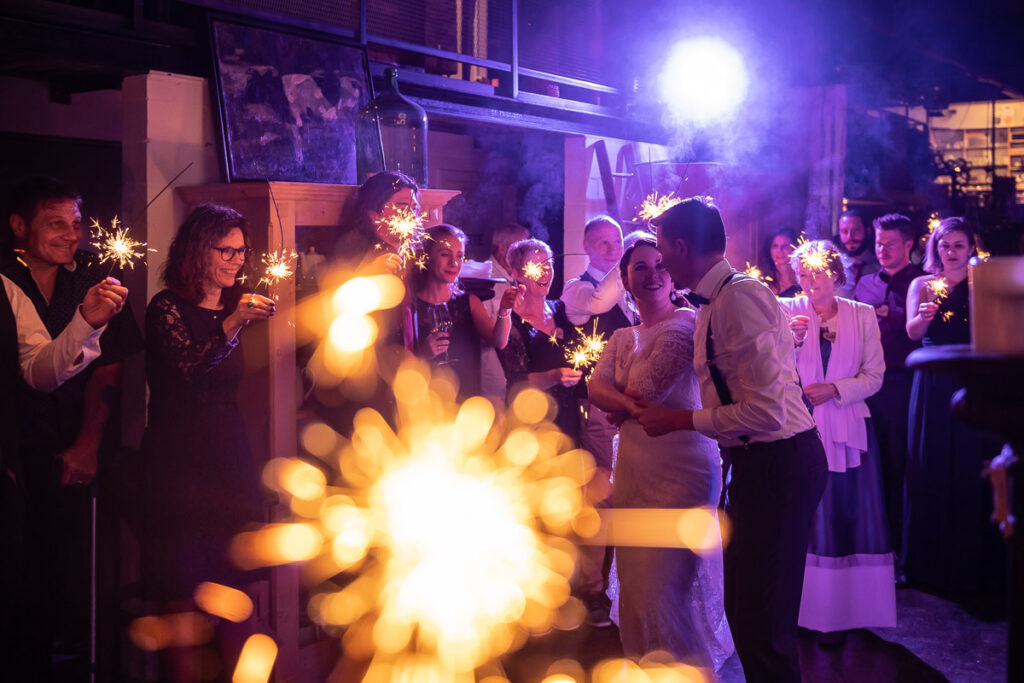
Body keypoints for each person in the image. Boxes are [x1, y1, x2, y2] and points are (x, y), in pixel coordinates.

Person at [633, 197, 827, 682]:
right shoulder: (715, 301)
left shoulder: (738, 298)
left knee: (765, 624)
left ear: (680, 246)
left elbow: (765, 411)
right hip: (757, 464)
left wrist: (678, 421)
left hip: (780, 463)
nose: (660, 262)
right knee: (746, 613)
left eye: (662, 251)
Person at [1, 176, 144, 677]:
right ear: (19, 226)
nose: (72, 234)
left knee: (61, 581)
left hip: (70, 451)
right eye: (55, 223)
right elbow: (36, 372)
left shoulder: (92, 281)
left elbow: (110, 365)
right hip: (15, 457)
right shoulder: (6, 284)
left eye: (77, 223)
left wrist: (88, 442)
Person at [139, 203, 275, 681]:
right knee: (183, 580)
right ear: (199, 251)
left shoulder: (237, 303)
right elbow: (189, 369)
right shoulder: (167, 308)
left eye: (241, 251)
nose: (237, 260)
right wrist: (233, 322)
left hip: (226, 451)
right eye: (226, 250)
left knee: (234, 576)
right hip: (179, 457)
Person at [588, 238, 733, 670]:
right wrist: (630, 410)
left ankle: (685, 672)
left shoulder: (687, 324)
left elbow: (650, 387)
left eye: (660, 266)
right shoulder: (621, 334)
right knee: (635, 580)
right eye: (640, 268)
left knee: (664, 583)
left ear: (672, 275)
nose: (652, 275)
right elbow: (596, 390)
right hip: (634, 466)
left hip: (681, 468)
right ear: (625, 279)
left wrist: (623, 402)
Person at [780, 240, 895, 643]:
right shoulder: (785, 310)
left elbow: (875, 374)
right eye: (804, 273)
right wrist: (790, 342)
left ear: (836, 274)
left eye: (819, 272)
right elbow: (767, 367)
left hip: (847, 431)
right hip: (798, 430)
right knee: (802, 522)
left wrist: (834, 388)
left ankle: (842, 614)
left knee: (846, 520)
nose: (811, 281)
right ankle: (798, 611)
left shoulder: (861, 315)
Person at [903, 217, 1005, 593]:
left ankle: (973, 562)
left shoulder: (984, 283)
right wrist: (923, 317)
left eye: (959, 245)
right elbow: (912, 333)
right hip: (932, 378)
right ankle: (928, 566)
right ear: (936, 249)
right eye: (945, 246)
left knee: (968, 464)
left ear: (971, 248)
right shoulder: (923, 284)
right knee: (929, 463)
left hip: (972, 376)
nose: (951, 252)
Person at [560, 215, 633, 627]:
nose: (611, 247)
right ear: (585, 245)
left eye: (617, 240)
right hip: (600, 413)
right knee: (601, 499)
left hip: (635, 409)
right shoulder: (578, 289)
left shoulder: (630, 288)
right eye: (602, 242)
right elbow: (601, 302)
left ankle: (626, 590)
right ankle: (591, 590)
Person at [853, 214, 924, 562]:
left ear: (909, 245)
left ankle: (899, 549)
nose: (882, 250)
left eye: (890, 243)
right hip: (864, 388)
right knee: (868, 468)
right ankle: (869, 546)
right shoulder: (864, 284)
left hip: (901, 385)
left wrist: (890, 316)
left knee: (898, 466)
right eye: (879, 243)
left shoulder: (923, 283)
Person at [408, 223, 517, 401]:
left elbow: (499, 341)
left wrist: (504, 309)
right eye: (445, 254)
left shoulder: (469, 302)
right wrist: (423, 355)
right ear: (426, 256)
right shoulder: (410, 306)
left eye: (459, 256)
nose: (454, 263)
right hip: (425, 408)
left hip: (465, 407)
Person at [500, 238, 585, 445]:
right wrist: (554, 376)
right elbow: (516, 383)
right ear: (518, 274)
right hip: (531, 422)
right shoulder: (512, 322)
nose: (545, 272)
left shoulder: (562, 311)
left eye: (548, 265)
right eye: (537, 267)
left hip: (568, 418)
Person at [480, 223, 530, 409]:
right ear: (502, 248)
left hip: (518, 368)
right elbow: (482, 332)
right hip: (493, 366)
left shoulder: (518, 278)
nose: (525, 255)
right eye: (520, 248)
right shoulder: (485, 278)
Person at [757, 227, 802, 297]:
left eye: (785, 246)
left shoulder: (803, 278)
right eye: (775, 246)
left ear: (794, 248)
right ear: (769, 250)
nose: (780, 250)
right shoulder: (761, 281)